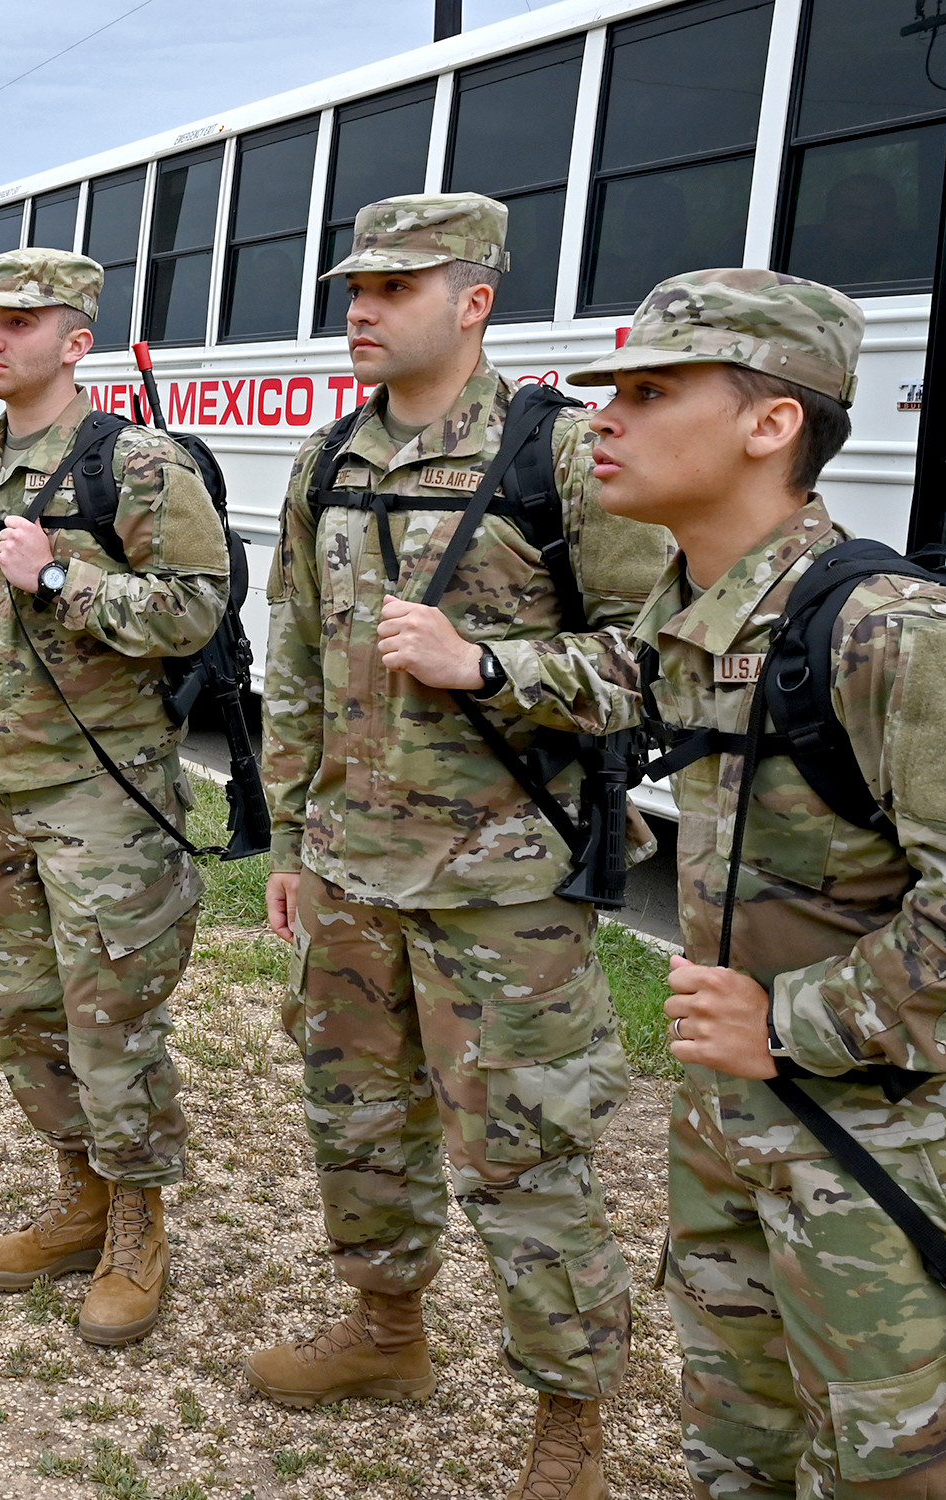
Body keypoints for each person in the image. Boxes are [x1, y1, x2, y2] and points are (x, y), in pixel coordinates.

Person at [567, 268, 946, 1497]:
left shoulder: (896, 632)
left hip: (899, 1163)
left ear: (774, 423)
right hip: (746, 1130)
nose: (606, 417)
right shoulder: (698, 619)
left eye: (650, 392)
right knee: (739, 1448)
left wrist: (788, 1023)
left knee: (902, 1472)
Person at [253, 192, 672, 1500]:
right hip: (350, 874)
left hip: (505, 893)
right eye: (353, 289)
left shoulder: (558, 456)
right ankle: (387, 1335)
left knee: (526, 1154)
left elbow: (662, 661)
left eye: (391, 289)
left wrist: (484, 664)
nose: (359, 311)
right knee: (359, 1125)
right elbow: (297, 665)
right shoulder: (329, 461)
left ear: (473, 301)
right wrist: (288, 836)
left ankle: (570, 1422)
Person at [0, 248, 226, 1346]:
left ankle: (139, 1225)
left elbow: (199, 607)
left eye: (20, 319)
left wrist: (62, 577)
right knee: (27, 1016)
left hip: (103, 793)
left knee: (112, 1022)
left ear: (77, 339)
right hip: (2, 790)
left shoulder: (135, 465)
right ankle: (81, 1194)